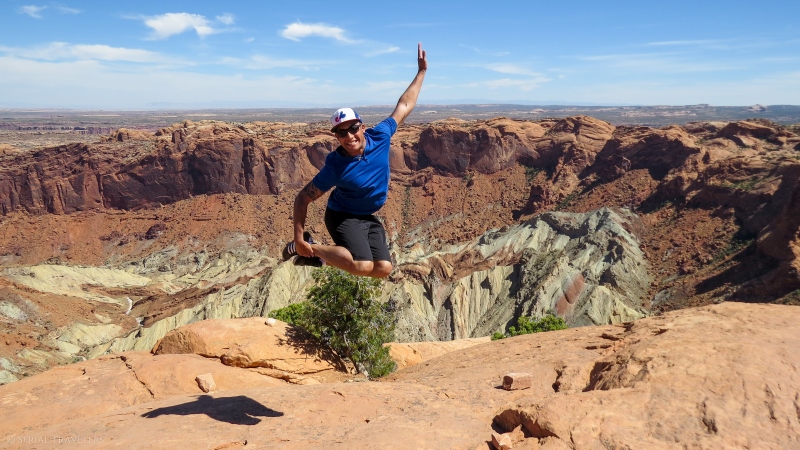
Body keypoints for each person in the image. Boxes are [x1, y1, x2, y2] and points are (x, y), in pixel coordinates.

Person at [283, 43, 427, 278]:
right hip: (342, 215)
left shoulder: (380, 135)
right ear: (336, 136)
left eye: (353, 128)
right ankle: (308, 247)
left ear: (363, 127)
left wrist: (421, 73)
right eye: (341, 132)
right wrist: (299, 238)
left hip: (367, 216)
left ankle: (320, 255)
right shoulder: (336, 165)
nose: (349, 136)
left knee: (383, 269)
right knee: (361, 266)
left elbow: (404, 105)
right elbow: (302, 198)